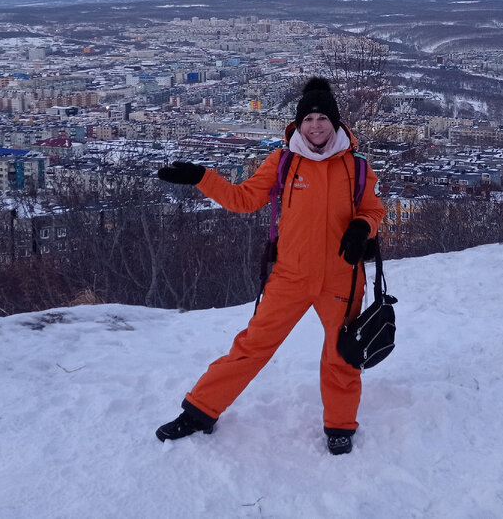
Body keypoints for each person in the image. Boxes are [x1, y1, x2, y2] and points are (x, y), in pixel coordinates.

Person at [154, 77, 383, 455]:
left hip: (343, 276)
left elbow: (374, 208)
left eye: (323, 117)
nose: (315, 126)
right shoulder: (283, 162)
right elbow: (243, 199)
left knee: (342, 355)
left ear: (336, 122)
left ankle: (340, 425)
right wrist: (202, 178)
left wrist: (363, 226)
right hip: (290, 276)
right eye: (308, 118)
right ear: (298, 124)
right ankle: (199, 412)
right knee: (252, 346)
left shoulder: (356, 167)